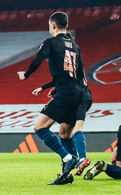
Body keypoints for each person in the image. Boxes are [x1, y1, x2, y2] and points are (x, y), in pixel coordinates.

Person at [18, 11, 86, 185]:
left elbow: (37, 60)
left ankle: (67, 158)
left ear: (53, 25)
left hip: (65, 92)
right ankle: (67, 175)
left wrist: (26, 75)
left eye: (50, 25)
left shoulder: (50, 42)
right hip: (77, 92)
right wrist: (56, 87)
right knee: (65, 132)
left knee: (40, 127)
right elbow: (78, 75)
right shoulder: (76, 46)